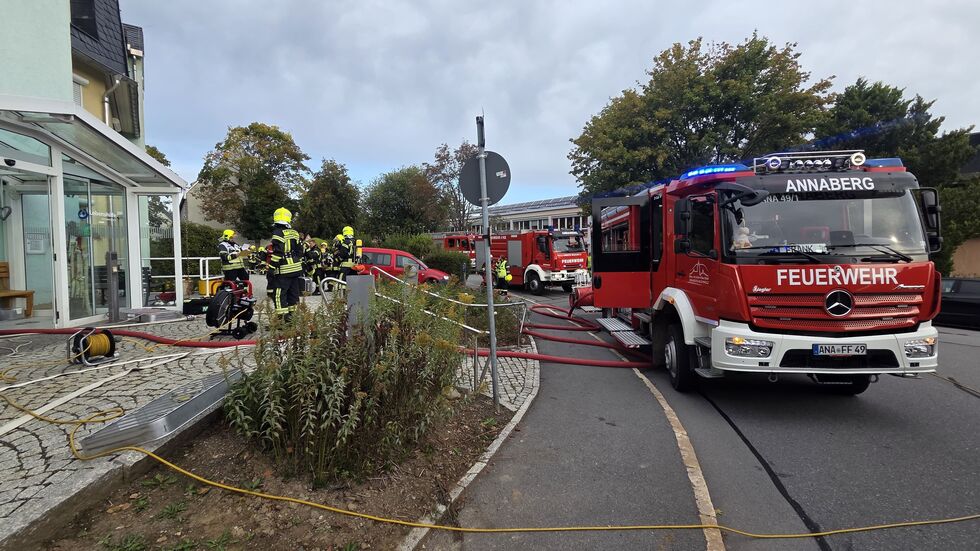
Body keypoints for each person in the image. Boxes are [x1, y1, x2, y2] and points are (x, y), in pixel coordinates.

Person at [269, 208, 304, 320]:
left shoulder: (278, 233)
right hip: (296, 269)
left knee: (279, 295)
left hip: (283, 270)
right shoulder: (294, 233)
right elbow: (300, 251)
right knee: (293, 294)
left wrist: (271, 268)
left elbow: (278, 253)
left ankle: (281, 321)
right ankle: (292, 319)